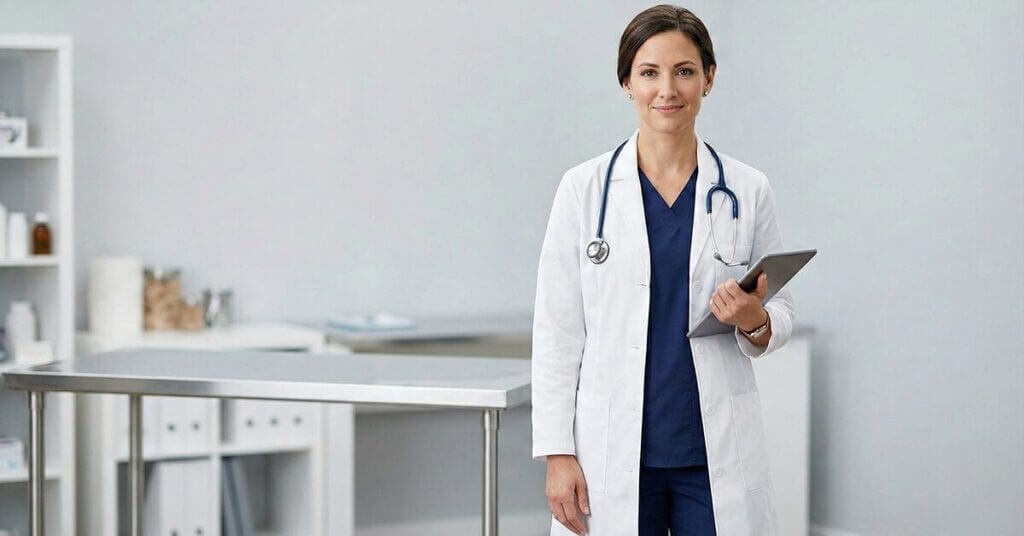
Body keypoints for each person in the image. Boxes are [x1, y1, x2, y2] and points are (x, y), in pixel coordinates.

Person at [531, 5, 795, 535]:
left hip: (711, 450)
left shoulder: (747, 189)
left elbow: (780, 307)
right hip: (613, 452)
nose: (667, 90)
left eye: (684, 71)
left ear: (709, 78)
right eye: (649, 72)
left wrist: (755, 320)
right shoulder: (584, 190)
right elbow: (557, 330)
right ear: (626, 82)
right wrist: (558, 452)